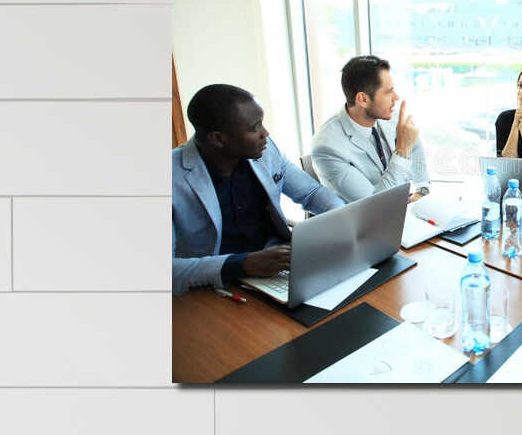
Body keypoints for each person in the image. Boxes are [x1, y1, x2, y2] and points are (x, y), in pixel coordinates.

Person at [171, 83, 342, 296]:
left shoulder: (265, 150)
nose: (265, 133)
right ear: (218, 139)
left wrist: (342, 220)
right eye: (255, 127)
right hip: (215, 287)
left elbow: (312, 193)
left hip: (280, 268)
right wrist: (241, 264)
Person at [310, 54, 427, 202]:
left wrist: (421, 190)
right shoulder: (327, 148)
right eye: (388, 92)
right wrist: (402, 149)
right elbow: (376, 206)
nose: (396, 98)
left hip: (403, 208)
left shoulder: (388, 116)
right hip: (368, 220)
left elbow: (414, 146)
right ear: (363, 99)